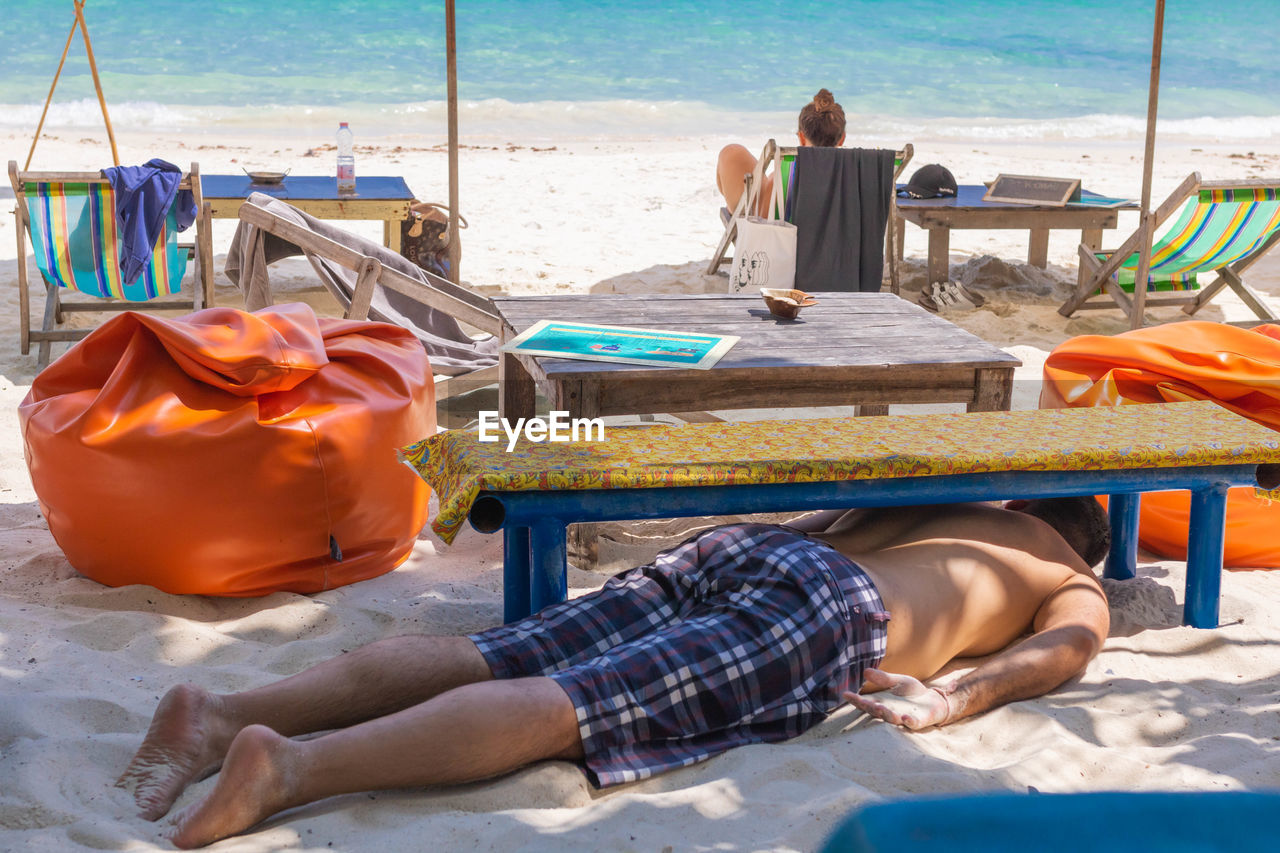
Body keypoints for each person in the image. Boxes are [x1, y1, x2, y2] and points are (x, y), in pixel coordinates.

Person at [119, 497, 1111, 848]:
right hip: (832, 608)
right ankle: (291, 768)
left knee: (501, 650)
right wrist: (954, 694)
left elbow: (821, 522)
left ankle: (221, 710)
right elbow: (1061, 650)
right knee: (574, 706)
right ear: (1086, 542)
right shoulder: (1060, 571)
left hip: (749, 550)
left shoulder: (959, 500)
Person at [716, 88, 847, 217]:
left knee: (732, 153)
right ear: (842, 139)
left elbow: (765, 213)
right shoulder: (853, 178)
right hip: (841, 237)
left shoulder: (788, 174)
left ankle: (735, 211)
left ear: (801, 137)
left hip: (784, 237)